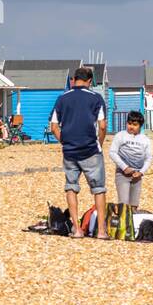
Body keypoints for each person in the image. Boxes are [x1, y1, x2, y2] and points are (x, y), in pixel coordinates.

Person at [49, 67, 108, 239]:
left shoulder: (62, 99)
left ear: (73, 80)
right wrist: (100, 143)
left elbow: (54, 127)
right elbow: (102, 125)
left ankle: (76, 229)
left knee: (71, 187)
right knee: (98, 189)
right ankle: (102, 231)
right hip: (91, 150)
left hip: (70, 152)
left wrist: (65, 141)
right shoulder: (96, 98)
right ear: (90, 82)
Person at [110, 110, 153, 209]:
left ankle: (132, 222)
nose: (131, 127)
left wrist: (141, 172)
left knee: (134, 204)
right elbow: (112, 152)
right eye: (129, 123)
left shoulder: (145, 140)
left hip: (137, 175)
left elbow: (149, 158)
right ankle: (123, 223)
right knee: (123, 204)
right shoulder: (120, 135)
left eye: (135, 124)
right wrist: (124, 167)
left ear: (140, 126)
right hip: (122, 173)